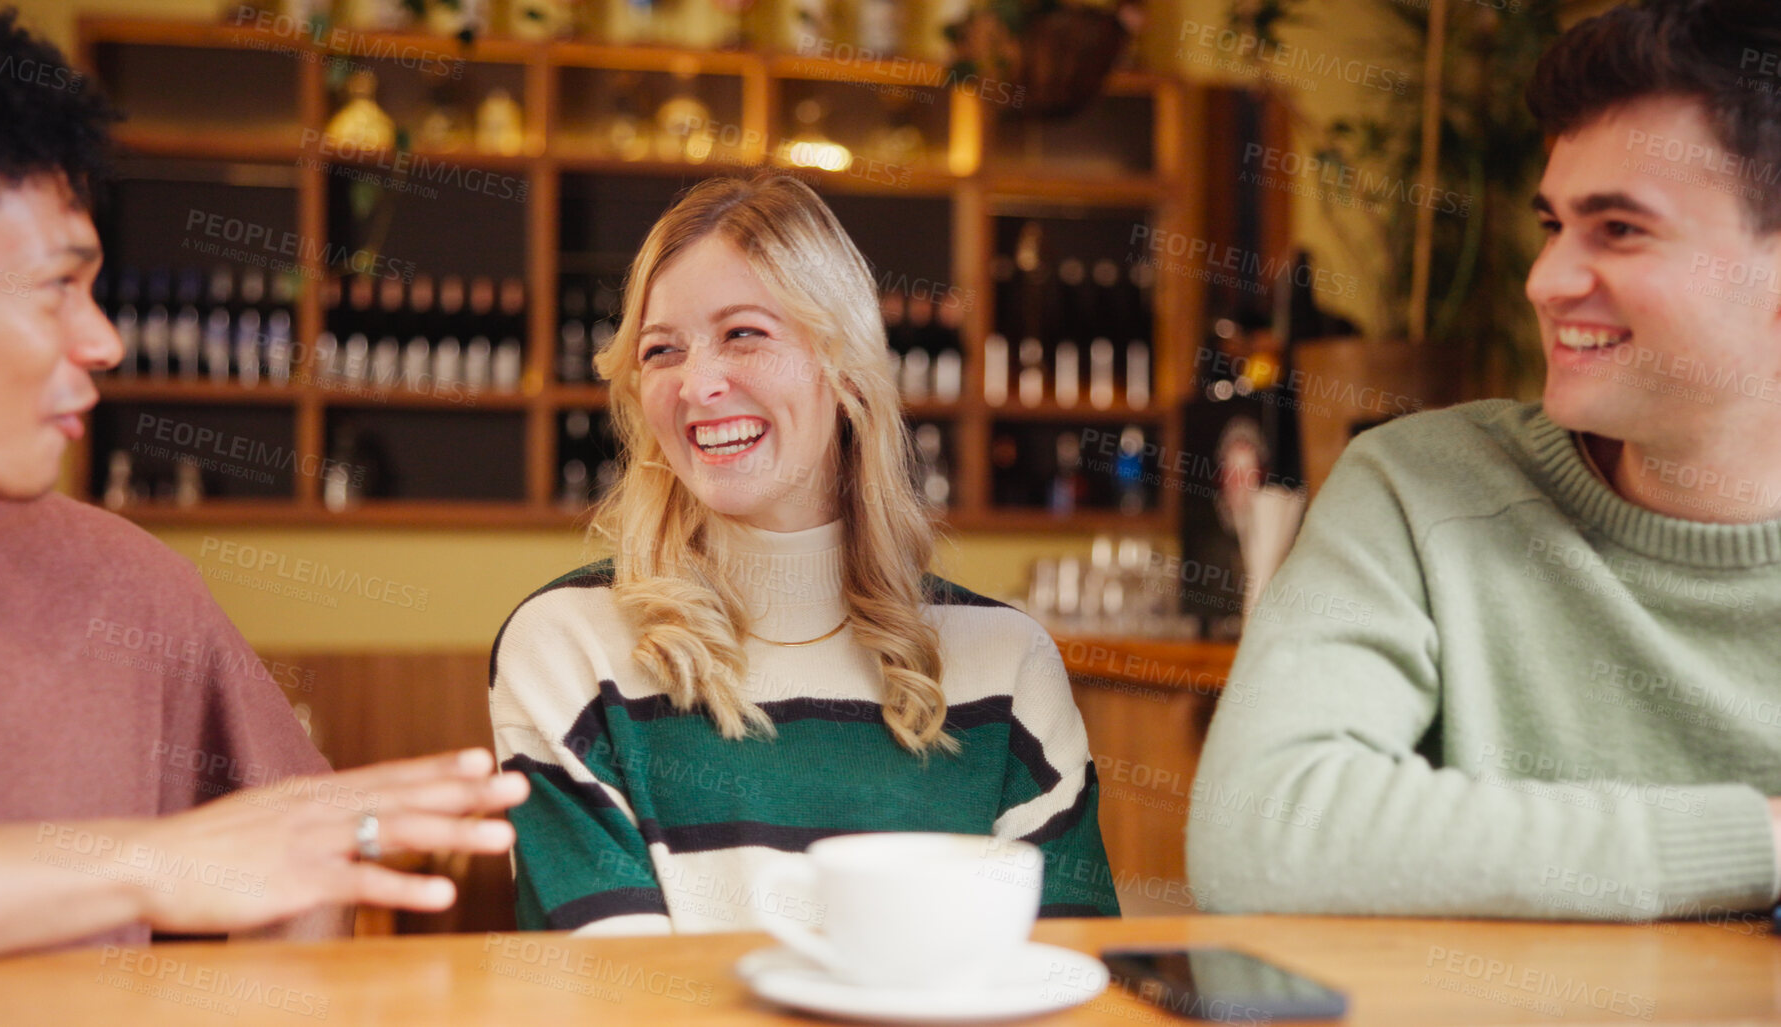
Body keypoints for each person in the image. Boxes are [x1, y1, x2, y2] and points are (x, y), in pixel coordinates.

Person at [0, 0, 526, 976]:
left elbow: (300, 881)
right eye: (55, 288)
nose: (103, 341)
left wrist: (302, 911)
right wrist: (146, 865)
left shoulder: (124, 589)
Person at [1188, 0, 1781, 922]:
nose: (1545, 281)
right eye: (1552, 225)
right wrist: (1763, 844)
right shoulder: (1421, 489)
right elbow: (1259, 828)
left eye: (1618, 228)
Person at [489, 175, 1118, 933]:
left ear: (844, 365)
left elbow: (1077, 981)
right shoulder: (566, 647)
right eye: (661, 351)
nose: (697, 384)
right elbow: (607, 996)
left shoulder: (1007, 665)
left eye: (743, 334)